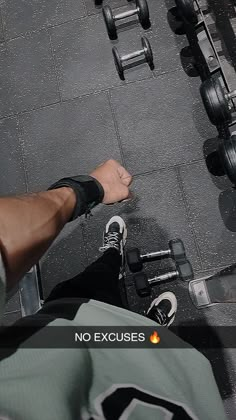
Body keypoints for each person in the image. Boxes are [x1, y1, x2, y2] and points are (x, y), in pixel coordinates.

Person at [0, 159, 226, 420]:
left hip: (78, 318)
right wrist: (84, 190)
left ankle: (112, 254)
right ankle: (148, 326)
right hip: (178, 382)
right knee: (139, 334)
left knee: (100, 274)